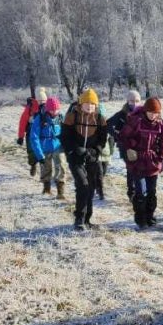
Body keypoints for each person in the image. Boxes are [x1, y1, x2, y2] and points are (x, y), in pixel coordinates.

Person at [61, 88, 108, 231]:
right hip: (75, 157)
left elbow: (102, 140)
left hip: (92, 158)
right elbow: (65, 137)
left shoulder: (100, 119)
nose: (89, 106)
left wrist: (94, 151)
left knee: (91, 187)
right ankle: (79, 219)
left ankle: (87, 219)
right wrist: (75, 150)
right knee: (82, 185)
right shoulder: (71, 117)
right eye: (86, 103)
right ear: (81, 104)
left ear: (96, 105)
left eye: (92, 103)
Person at [120, 97, 163, 229]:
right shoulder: (136, 121)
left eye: (156, 113)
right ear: (146, 111)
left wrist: (160, 157)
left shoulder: (160, 124)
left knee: (152, 191)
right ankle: (141, 219)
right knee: (141, 192)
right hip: (137, 162)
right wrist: (130, 149)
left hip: (152, 162)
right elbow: (123, 137)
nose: (153, 115)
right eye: (151, 112)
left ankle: (150, 216)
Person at [107, 89, 142, 201]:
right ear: (127, 101)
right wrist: (117, 136)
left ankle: (138, 191)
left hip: (139, 146)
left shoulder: (144, 113)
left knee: (139, 169)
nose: (134, 103)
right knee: (131, 169)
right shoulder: (121, 114)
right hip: (125, 147)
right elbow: (108, 124)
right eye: (132, 101)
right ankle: (131, 192)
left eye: (137, 101)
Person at [29, 96, 66, 200]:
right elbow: (34, 137)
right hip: (44, 147)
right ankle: (46, 188)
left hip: (58, 147)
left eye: (57, 109)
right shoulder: (39, 118)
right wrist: (39, 155)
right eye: (52, 109)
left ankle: (60, 191)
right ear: (47, 109)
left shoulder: (61, 118)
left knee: (61, 167)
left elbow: (67, 133)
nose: (55, 112)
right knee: (46, 168)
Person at [17, 87, 48, 176]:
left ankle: (44, 166)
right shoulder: (30, 108)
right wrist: (20, 136)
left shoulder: (48, 108)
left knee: (43, 150)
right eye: (40, 101)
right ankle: (33, 164)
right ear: (36, 100)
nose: (42, 103)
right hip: (31, 131)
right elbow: (23, 122)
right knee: (31, 150)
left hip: (43, 132)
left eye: (44, 101)